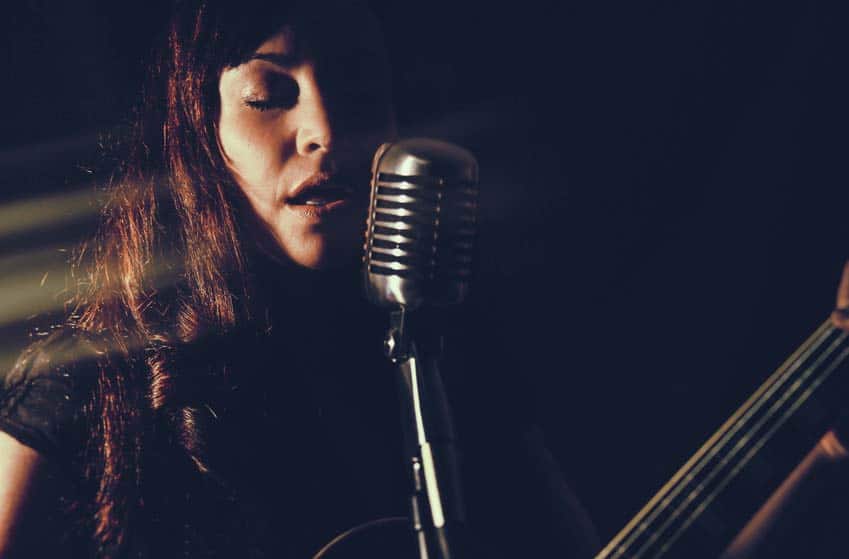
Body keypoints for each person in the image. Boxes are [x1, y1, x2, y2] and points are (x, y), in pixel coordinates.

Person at [0, 1, 599, 557]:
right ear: (199, 134)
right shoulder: (92, 380)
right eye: (266, 96)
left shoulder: (447, 349)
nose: (326, 131)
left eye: (358, 87)